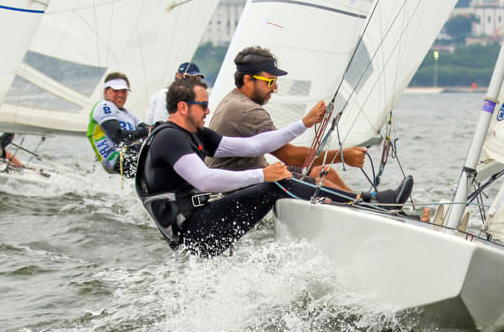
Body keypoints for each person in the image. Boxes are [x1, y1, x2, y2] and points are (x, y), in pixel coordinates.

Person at [135, 76, 412, 257]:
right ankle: (370, 204)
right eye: (203, 105)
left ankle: (363, 207)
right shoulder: (169, 138)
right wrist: (262, 174)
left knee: (283, 177)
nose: (208, 111)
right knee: (276, 183)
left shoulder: (195, 133)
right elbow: (205, 180)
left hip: (201, 224)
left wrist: (303, 124)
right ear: (183, 107)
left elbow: (254, 146)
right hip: (194, 234)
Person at [206, 46, 369, 193]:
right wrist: (343, 156)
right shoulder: (248, 111)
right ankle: (361, 205)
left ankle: (363, 202)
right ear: (248, 80)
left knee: (324, 172)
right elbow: (290, 157)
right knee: (321, 184)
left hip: (248, 179)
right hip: (232, 191)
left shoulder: (233, 99)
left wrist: (306, 122)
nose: (275, 88)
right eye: (270, 82)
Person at [87, 72, 150, 177]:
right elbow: (118, 136)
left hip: (128, 155)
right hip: (114, 159)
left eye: (124, 91)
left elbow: (148, 130)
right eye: (116, 91)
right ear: (106, 91)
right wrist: (148, 130)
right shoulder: (103, 106)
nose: (120, 95)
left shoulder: (129, 114)